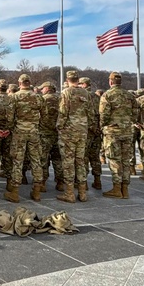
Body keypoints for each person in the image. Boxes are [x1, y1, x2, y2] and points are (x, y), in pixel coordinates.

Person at [4, 74, 43, 203]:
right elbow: (45, 114)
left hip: (19, 131)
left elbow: (9, 117)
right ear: (29, 83)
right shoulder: (38, 97)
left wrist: (10, 128)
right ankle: (37, 190)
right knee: (36, 160)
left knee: (17, 160)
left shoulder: (15, 97)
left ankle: (15, 191)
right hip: (34, 131)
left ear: (19, 83)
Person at [57, 70, 92, 203]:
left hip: (69, 130)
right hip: (82, 129)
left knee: (68, 162)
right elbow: (90, 111)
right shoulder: (85, 93)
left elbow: (63, 112)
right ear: (78, 79)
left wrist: (59, 126)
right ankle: (82, 193)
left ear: (67, 79)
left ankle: (69, 193)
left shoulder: (66, 92)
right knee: (80, 161)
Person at [100, 72, 135, 199]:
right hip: (126, 131)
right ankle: (125, 189)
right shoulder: (129, 95)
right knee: (126, 161)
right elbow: (135, 113)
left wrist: (102, 126)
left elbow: (104, 114)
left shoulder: (107, 95)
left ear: (110, 82)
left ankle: (116, 188)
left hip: (113, 132)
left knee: (115, 160)